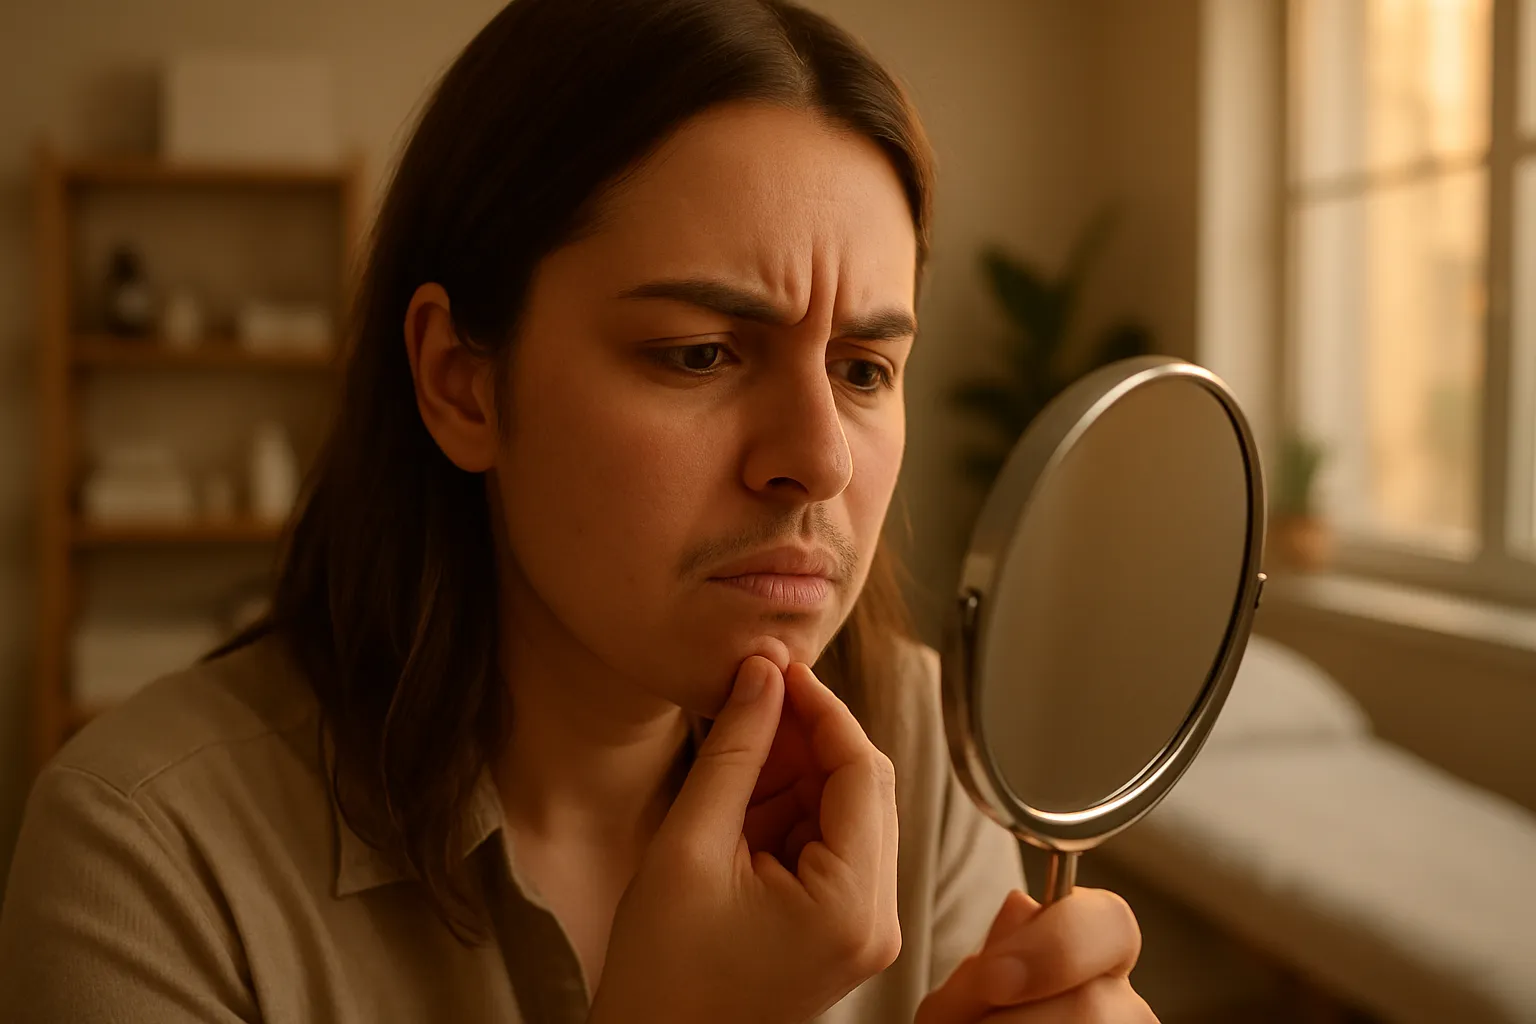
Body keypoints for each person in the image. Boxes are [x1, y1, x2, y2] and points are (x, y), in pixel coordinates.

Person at [0, 1, 1155, 1020]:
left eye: (862, 369)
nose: (819, 461)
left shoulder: (916, 743)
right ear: (461, 380)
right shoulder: (149, 856)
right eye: (700, 352)